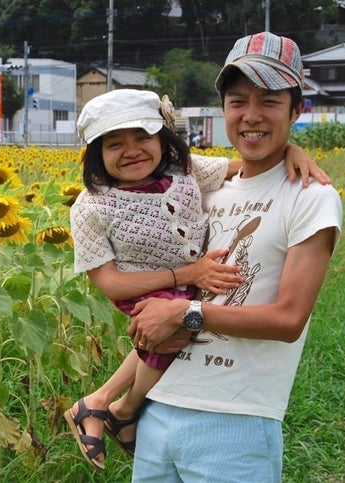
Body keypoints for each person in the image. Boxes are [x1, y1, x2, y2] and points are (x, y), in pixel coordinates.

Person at [64, 88, 329, 471]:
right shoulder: (92, 205)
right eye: (114, 144)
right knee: (171, 331)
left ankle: (105, 402)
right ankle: (124, 407)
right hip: (141, 285)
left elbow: (241, 166)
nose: (132, 150)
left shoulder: (185, 173)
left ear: (162, 140)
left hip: (190, 301)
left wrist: (291, 151)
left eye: (143, 137)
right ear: (97, 155)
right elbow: (109, 283)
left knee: (173, 323)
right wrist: (187, 276)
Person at [128, 32, 343, 482]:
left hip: (236, 420)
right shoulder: (203, 187)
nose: (251, 116)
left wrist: (184, 314)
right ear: (223, 108)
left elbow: (288, 321)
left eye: (269, 102)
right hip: (158, 407)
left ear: (296, 110)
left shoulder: (311, 197)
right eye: (238, 101)